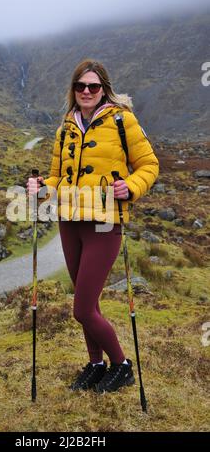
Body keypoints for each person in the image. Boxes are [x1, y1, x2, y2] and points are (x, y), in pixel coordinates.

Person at [26, 59, 159, 394]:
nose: (86, 91)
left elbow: (149, 164)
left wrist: (131, 186)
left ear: (104, 89)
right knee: (90, 305)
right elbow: (57, 177)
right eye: (80, 86)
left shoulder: (120, 120)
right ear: (73, 90)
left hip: (104, 222)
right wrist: (41, 186)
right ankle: (96, 365)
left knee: (82, 308)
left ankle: (122, 365)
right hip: (69, 221)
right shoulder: (65, 129)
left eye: (93, 86)